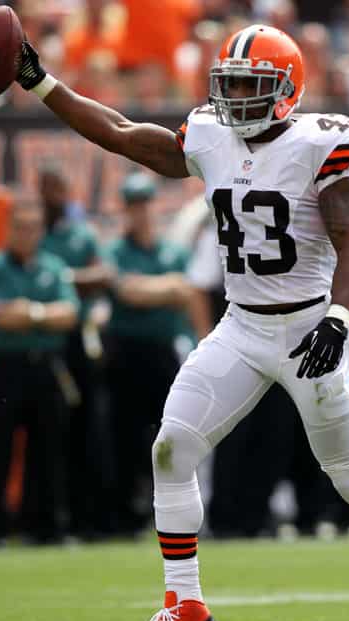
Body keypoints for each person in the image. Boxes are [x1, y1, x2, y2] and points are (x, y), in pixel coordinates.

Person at [11, 23, 349, 621]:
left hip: (312, 323)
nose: (234, 98)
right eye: (227, 84)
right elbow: (121, 134)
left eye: (249, 86)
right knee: (171, 447)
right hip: (242, 324)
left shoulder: (322, 145)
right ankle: (185, 604)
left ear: (287, 92)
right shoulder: (209, 134)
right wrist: (41, 83)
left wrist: (338, 317)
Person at [104, 172, 207, 535]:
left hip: (164, 352)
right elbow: (128, 291)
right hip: (126, 352)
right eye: (134, 206)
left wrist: (150, 290)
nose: (141, 212)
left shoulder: (173, 251)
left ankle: (167, 512)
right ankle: (124, 516)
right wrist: (163, 289)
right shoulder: (114, 251)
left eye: (145, 204)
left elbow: (185, 291)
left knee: (170, 435)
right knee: (125, 437)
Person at [0, 198, 78, 548]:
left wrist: (30, 313)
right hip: (6, 366)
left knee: (47, 451)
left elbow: (69, 314)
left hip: (45, 365)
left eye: (33, 227)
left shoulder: (53, 265)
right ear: (8, 229)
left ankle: (44, 527)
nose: (26, 234)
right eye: (20, 227)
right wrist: (44, 315)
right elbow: (2, 316)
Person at [37, 165, 115, 539]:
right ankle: (49, 517)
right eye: (48, 188)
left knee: (88, 429)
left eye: (59, 188)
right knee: (50, 433)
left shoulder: (80, 234)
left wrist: (61, 278)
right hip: (43, 340)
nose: (53, 196)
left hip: (77, 339)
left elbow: (102, 275)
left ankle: (89, 517)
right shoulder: (33, 231)